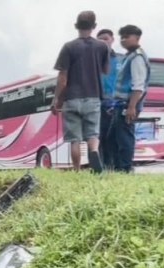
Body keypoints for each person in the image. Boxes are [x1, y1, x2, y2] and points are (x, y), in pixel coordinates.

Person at [50, 10, 110, 172]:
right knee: (93, 134)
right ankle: (94, 151)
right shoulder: (102, 46)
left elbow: (63, 77)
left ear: (76, 26)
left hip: (72, 99)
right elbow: (106, 70)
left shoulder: (68, 47)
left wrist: (57, 100)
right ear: (94, 26)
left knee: (74, 139)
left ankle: (77, 170)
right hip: (93, 96)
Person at [110, 24, 150, 173]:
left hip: (128, 104)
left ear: (137, 38)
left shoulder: (137, 57)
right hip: (120, 104)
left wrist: (132, 107)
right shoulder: (128, 56)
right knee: (113, 137)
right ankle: (117, 168)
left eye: (127, 37)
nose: (123, 40)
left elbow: (138, 86)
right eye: (122, 37)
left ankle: (125, 169)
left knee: (124, 137)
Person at [97, 28, 123, 170]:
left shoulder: (121, 59)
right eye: (100, 39)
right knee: (101, 137)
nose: (103, 42)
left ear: (112, 40)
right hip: (99, 104)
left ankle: (119, 167)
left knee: (118, 137)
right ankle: (104, 166)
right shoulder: (93, 60)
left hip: (118, 104)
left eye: (105, 39)